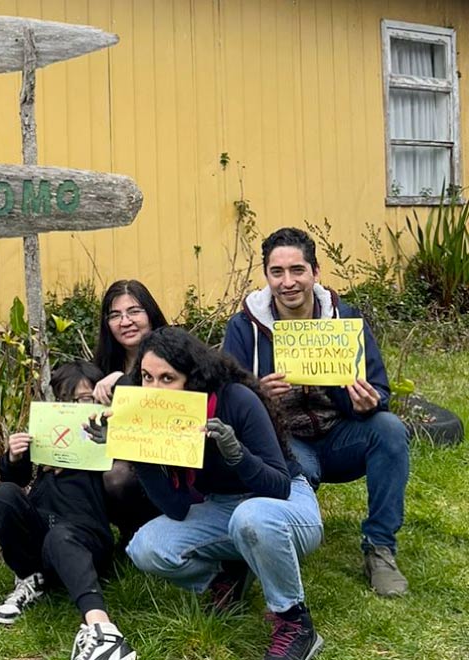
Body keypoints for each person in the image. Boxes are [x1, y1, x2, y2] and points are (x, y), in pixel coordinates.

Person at [98, 328, 323, 660]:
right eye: (147, 377)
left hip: (285, 505)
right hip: (222, 507)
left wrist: (236, 454)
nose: (154, 388)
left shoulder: (235, 399)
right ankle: (228, 576)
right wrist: (135, 450)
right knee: (146, 547)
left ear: (192, 378)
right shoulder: (159, 418)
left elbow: (279, 485)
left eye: (167, 378)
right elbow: (176, 508)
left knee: (252, 517)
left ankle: (294, 621)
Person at [222, 227, 410, 598]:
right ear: (266, 276)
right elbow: (225, 398)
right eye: (277, 272)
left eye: (297, 270)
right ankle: (257, 552)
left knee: (389, 428)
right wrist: (257, 395)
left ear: (316, 272)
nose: (288, 282)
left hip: (341, 435)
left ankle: (380, 548)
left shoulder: (345, 320)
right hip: (285, 442)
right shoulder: (244, 327)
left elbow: (379, 388)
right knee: (291, 468)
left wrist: (367, 402)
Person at [0, 360, 136, 660]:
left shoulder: (112, 438)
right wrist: (15, 458)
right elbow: (15, 481)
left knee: (62, 536)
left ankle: (103, 631)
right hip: (43, 531)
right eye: (66, 400)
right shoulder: (47, 433)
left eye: (84, 400)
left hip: (86, 537)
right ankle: (30, 578)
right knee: (4, 495)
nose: (75, 408)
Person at [91, 279, 169, 544]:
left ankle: (146, 535)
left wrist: (122, 381)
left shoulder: (174, 350)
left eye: (134, 311)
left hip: (166, 456)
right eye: (115, 315)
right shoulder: (103, 363)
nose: (125, 321)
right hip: (117, 450)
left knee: (117, 477)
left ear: (150, 313)